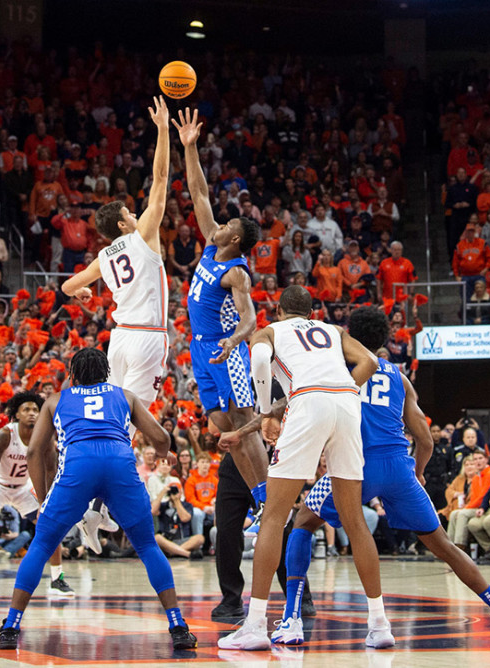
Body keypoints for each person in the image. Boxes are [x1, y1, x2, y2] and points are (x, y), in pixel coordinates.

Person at [220, 306, 490, 646]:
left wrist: (247, 428)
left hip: (359, 465)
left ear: (349, 333)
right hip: (399, 467)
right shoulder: (399, 377)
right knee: (443, 545)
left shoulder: (334, 364)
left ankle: (292, 619)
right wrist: (420, 472)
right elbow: (425, 439)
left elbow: (286, 404)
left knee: (303, 521)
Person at [0, 348, 197, 651]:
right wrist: (162, 455)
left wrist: (44, 496)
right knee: (148, 546)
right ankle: (177, 625)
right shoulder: (124, 396)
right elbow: (163, 439)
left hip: (78, 466)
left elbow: (34, 451)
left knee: (43, 543)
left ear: (72, 375)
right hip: (119, 463)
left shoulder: (56, 400)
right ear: (106, 373)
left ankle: (10, 627)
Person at [217, 286, 386, 650]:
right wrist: (343, 389)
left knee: (274, 517)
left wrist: (264, 412)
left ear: (278, 310)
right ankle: (379, 624)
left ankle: (256, 625)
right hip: (346, 403)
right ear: (311, 312)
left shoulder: (269, 331)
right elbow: (370, 362)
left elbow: (260, 363)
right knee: (354, 519)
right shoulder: (332, 331)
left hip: (307, 401)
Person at [61, 97, 171, 551]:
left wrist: (85, 292)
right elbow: (161, 179)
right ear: (127, 218)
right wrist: (163, 131)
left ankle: (94, 505)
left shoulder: (103, 256)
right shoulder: (143, 234)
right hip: (145, 339)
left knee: (113, 422)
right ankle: (97, 505)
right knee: (132, 423)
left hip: (118, 341)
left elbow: (69, 286)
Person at [174, 108, 270, 620]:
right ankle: (256, 492)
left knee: (241, 426)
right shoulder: (213, 246)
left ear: (234, 239)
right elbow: (200, 194)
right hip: (201, 350)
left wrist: (234, 342)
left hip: (225, 353)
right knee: (219, 427)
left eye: (228, 224)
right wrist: (189, 146)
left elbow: (253, 319)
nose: (219, 221)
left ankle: (262, 501)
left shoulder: (235, 270)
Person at [0, 392, 74, 601]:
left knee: (50, 525)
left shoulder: (45, 436)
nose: (32, 413)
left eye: (36, 410)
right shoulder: (5, 434)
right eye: (26, 409)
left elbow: (50, 471)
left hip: (24, 486)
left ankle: (57, 579)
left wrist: (43, 502)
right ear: (16, 413)